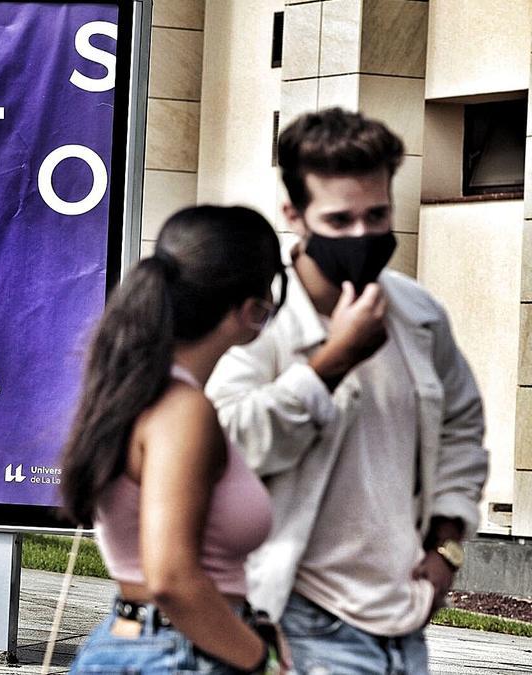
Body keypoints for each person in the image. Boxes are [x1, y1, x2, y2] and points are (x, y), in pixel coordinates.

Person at [207, 108, 489, 675]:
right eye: (340, 221)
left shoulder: (418, 312)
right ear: (295, 214)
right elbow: (224, 444)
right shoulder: (253, 318)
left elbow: (463, 430)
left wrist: (447, 546)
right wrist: (333, 362)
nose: (362, 235)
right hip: (296, 621)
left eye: (377, 215)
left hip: (403, 623)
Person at [61, 206, 289, 674]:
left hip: (147, 641)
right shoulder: (183, 411)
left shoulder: (136, 389)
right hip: (179, 654)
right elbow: (172, 578)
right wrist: (260, 662)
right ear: (253, 306)